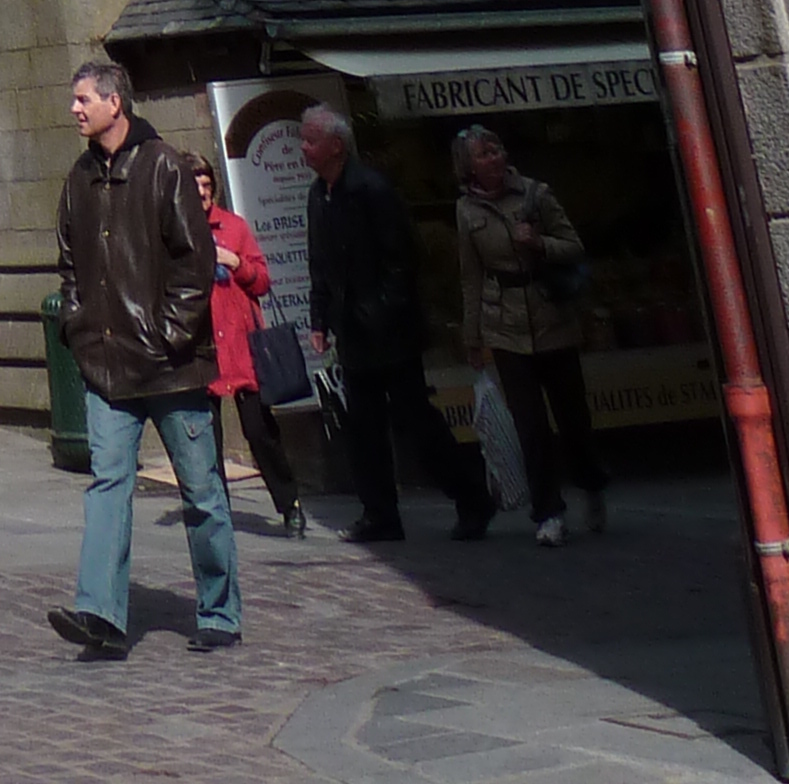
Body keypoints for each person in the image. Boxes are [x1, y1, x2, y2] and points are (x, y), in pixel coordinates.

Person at [49, 57, 241, 659]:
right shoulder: (79, 179)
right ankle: (100, 614)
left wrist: (167, 336)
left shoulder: (165, 168)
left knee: (201, 491)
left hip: (171, 365)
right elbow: (70, 267)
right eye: (75, 100)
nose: (75, 109)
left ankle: (219, 610)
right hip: (107, 367)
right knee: (108, 485)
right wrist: (81, 330)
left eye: (84, 99)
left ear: (115, 102)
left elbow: (193, 261)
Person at [300, 103, 494, 546]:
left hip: (390, 332)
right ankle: (380, 514)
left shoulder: (371, 189)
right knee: (362, 428)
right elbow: (321, 262)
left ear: (336, 145)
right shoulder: (318, 195)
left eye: (310, 140)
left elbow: (401, 259)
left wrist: (382, 310)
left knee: (415, 421)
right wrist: (319, 316)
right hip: (352, 331)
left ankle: (471, 497)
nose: (304, 149)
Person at [454, 124, 606, 546]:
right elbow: (471, 276)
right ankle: (548, 513)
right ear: (469, 166)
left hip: (551, 318)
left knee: (573, 419)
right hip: (505, 326)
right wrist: (473, 337)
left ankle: (591, 485)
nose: (494, 158)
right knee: (531, 427)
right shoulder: (467, 211)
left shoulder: (536, 194)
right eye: (483, 154)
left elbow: (573, 245)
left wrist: (539, 243)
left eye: (497, 149)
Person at [191, 151, 303, 533]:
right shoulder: (176, 230)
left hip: (241, 344)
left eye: (207, 185)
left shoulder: (234, 227)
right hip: (201, 345)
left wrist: (237, 264)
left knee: (259, 431)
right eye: (195, 185)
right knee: (207, 437)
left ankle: (290, 503)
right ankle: (214, 509)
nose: (203, 192)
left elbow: (263, 280)